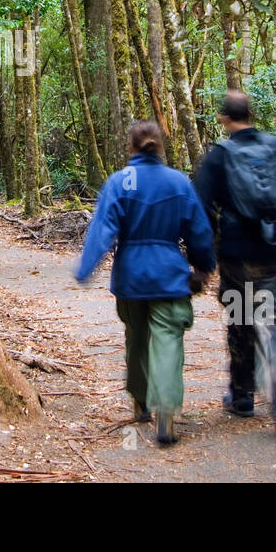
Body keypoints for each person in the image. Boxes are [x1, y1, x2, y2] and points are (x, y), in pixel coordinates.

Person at [75, 120, 215, 446]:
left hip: (131, 277)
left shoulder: (119, 182)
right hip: (169, 275)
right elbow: (199, 231)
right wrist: (204, 266)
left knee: (136, 339)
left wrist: (85, 267)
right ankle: (165, 413)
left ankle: (140, 401)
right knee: (168, 340)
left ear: (131, 148)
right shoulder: (178, 182)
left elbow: (103, 229)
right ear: (161, 146)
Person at [193, 90, 276, 438]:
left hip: (237, 256)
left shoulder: (219, 156)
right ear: (251, 114)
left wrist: (204, 256)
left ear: (224, 118)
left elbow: (198, 204)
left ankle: (242, 397)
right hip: (275, 252)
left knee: (241, 323)